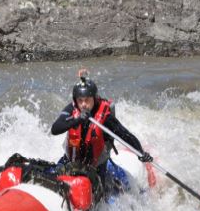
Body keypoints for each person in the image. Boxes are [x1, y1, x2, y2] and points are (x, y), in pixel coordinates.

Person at [50, 73, 153, 201]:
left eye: (87, 100)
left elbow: (125, 135)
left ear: (94, 98)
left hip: (97, 166)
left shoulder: (105, 117)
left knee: (97, 196)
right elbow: (55, 129)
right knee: (52, 178)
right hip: (70, 160)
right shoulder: (72, 109)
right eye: (80, 100)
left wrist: (140, 153)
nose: (83, 105)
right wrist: (76, 120)